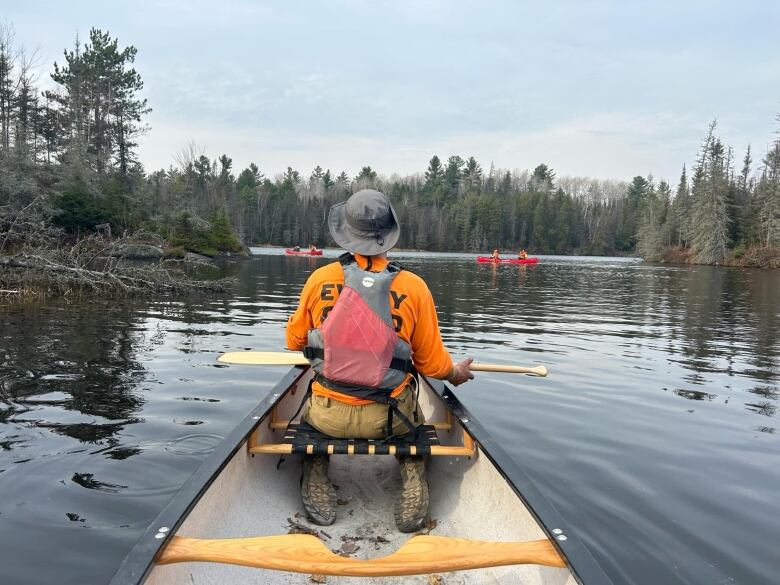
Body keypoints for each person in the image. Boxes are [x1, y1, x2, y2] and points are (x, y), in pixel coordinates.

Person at [286, 189, 474, 532]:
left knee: (311, 417)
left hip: (328, 416)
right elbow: (432, 366)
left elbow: (294, 341)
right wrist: (456, 373)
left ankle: (315, 467)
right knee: (415, 418)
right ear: (389, 236)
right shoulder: (414, 287)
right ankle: (413, 468)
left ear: (345, 232)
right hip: (391, 420)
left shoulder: (319, 280)